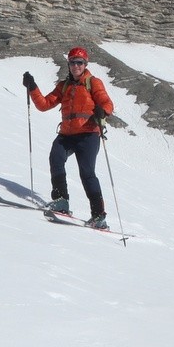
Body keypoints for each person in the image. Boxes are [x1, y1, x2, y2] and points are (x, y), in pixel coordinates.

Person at [22, 47, 115, 229]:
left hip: (88, 134)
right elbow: (44, 104)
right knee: (56, 158)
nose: (76, 66)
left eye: (79, 62)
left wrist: (102, 111)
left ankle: (98, 216)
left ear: (85, 64)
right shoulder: (64, 86)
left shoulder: (93, 83)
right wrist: (32, 87)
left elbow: (107, 103)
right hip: (67, 134)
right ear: (69, 65)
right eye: (72, 62)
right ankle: (61, 201)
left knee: (87, 173)